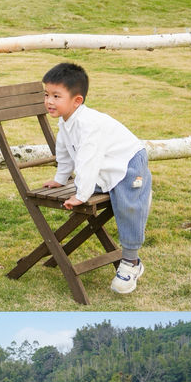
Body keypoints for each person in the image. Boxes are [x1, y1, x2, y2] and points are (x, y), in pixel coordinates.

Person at [41, 62, 152, 294]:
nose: (49, 101)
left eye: (56, 96)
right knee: (111, 191)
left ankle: (131, 262)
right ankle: (128, 192)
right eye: (46, 94)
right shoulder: (66, 121)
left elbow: (87, 160)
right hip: (106, 168)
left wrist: (81, 194)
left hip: (128, 163)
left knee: (128, 206)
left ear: (77, 100)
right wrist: (61, 179)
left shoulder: (88, 125)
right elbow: (64, 152)